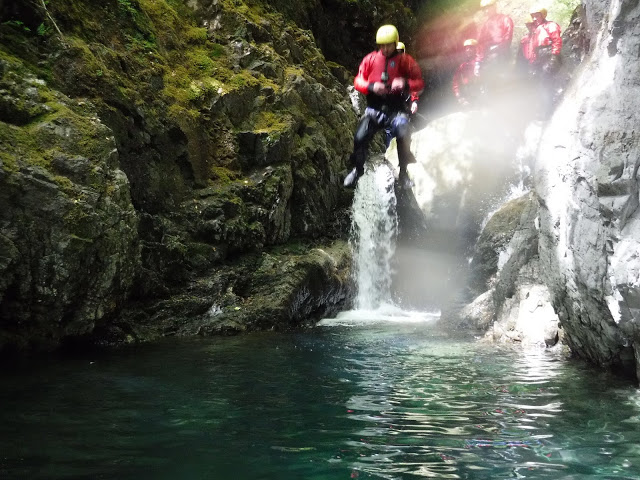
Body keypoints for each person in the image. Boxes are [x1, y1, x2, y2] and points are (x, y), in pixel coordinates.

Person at [344, 25, 424, 189]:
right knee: (359, 137)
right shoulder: (370, 59)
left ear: (395, 43)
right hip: (375, 110)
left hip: (397, 110)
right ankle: (357, 170)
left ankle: (403, 174)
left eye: (389, 45)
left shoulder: (406, 61)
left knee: (403, 130)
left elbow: (420, 83)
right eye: (382, 45)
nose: (386, 49)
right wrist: (372, 86)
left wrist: (405, 83)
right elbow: (358, 81)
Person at [528, 5, 562, 115]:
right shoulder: (535, 30)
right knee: (540, 84)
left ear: (543, 15)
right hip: (540, 58)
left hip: (549, 56)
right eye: (533, 16)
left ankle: (549, 110)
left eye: (536, 16)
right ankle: (546, 108)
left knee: (546, 82)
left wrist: (553, 57)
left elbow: (556, 41)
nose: (534, 19)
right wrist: (533, 63)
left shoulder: (550, 25)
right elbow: (533, 48)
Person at [474, 0, 514, 91]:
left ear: (494, 7)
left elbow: (508, 35)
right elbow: (480, 44)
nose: (486, 11)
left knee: (503, 80)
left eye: (488, 8)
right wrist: (478, 61)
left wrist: (501, 48)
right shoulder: (485, 25)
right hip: (489, 57)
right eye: (484, 9)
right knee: (490, 82)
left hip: (502, 55)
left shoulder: (504, 19)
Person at [452, 39, 482, 107]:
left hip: (481, 94)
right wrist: (459, 97)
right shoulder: (463, 66)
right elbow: (455, 82)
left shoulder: (481, 62)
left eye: (471, 48)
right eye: (467, 48)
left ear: (476, 49)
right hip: (468, 96)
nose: (468, 50)